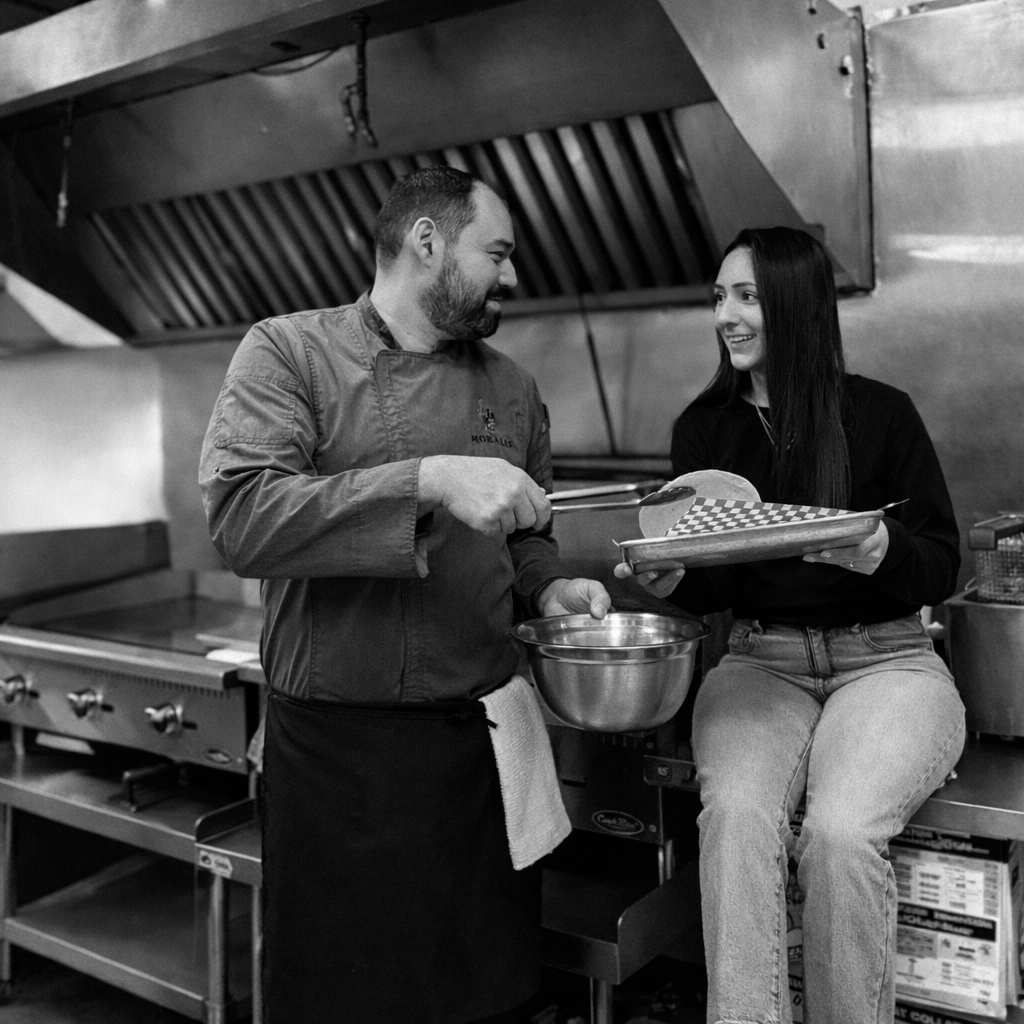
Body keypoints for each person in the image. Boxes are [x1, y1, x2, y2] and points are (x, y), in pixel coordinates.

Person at [198, 166, 611, 1024]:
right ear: (427, 242)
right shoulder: (289, 353)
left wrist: (554, 589)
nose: (512, 276)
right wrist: (425, 479)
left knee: (487, 1000)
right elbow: (243, 520)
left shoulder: (513, 388)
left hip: (478, 754)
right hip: (339, 761)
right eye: (496, 252)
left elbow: (527, 536)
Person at [616, 227, 966, 1024]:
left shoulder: (881, 415)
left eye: (746, 297)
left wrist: (880, 548)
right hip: (759, 662)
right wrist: (671, 576)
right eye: (718, 298)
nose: (727, 316)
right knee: (737, 820)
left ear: (794, 306)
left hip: (887, 663)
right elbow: (715, 586)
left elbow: (943, 565)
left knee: (841, 836)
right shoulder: (705, 430)